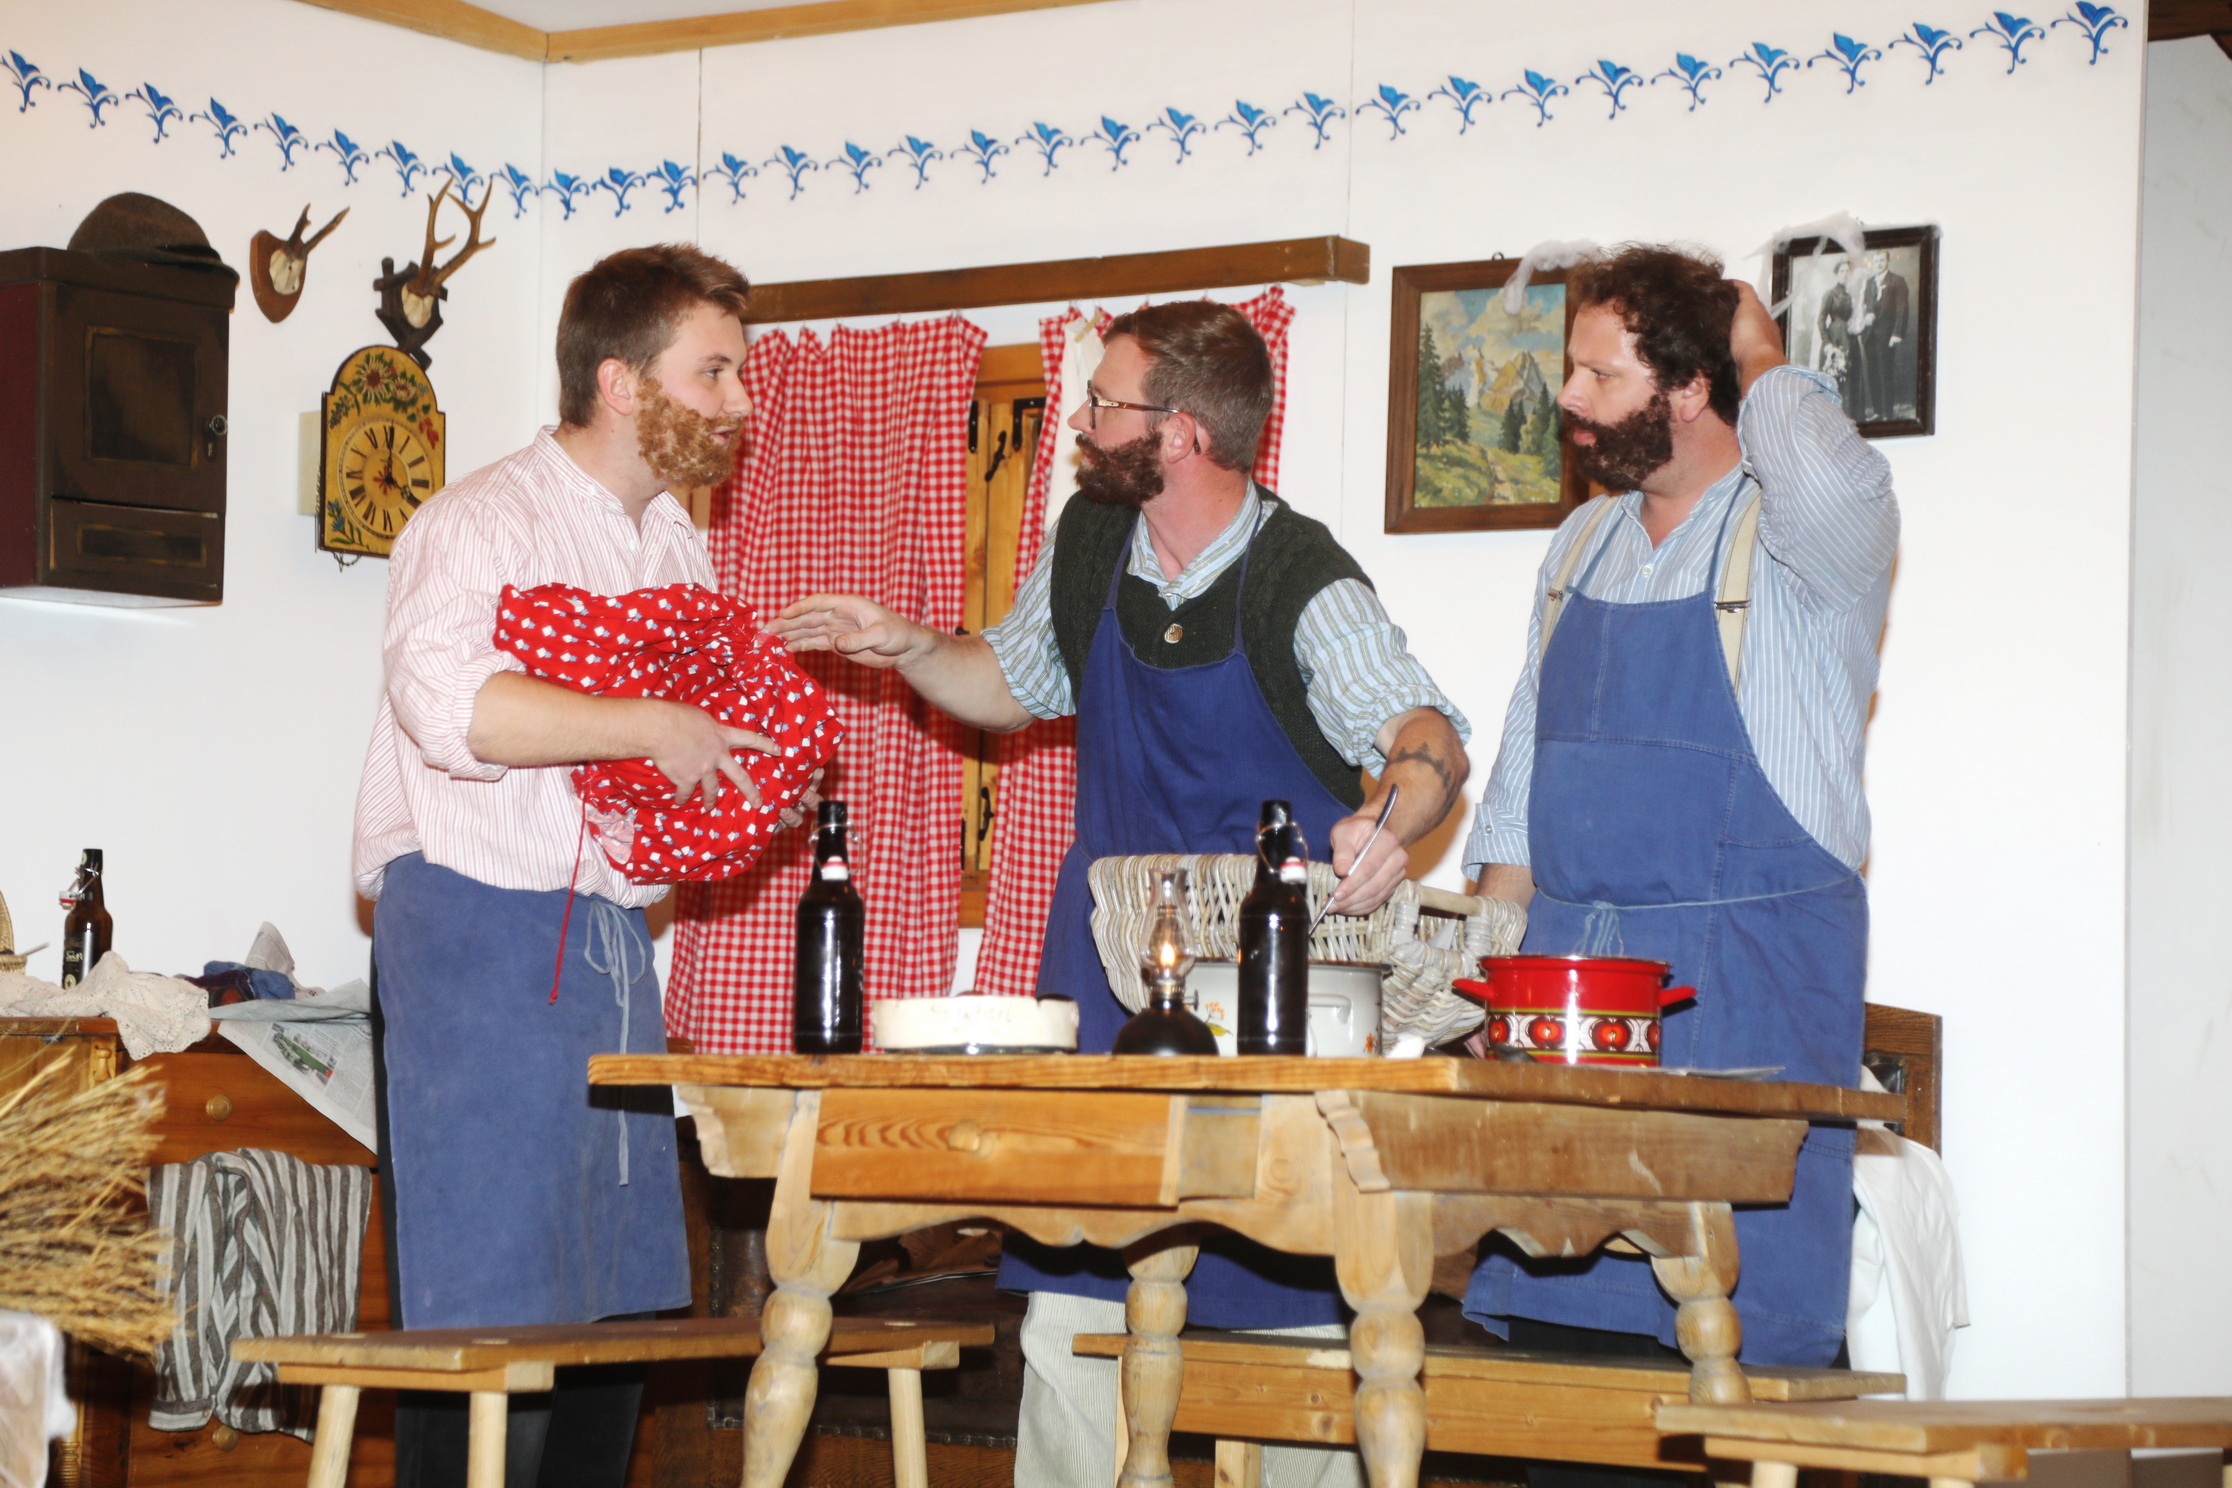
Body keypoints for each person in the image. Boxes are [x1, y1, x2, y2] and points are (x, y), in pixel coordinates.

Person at [772, 300, 1472, 1488]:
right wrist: (910, 646)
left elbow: (1426, 735)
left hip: (1264, 1005)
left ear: (1183, 432)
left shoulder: (1303, 579)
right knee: (1076, 1320)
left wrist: (1394, 819)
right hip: (1105, 979)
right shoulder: (1094, 540)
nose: (1081, 423)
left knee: (1288, 1331)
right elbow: (1009, 684)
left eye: (1103, 403)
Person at [1462, 244, 1897, 1478]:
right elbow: (1526, 763)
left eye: (1601, 375)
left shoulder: (1803, 546)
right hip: (1571, 998)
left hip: (1743, 990)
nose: (1569, 397)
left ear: (1695, 388)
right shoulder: (1579, 546)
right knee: (1558, 1390)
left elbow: (1838, 485)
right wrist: (1490, 964)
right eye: (1573, 370)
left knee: (1726, 1381)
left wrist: (1763, 351)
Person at [352, 244, 780, 1488]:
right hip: (475, 939)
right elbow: (454, 709)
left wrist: (746, 766)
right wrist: (651, 724)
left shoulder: (678, 547)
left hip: (610, 950)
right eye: (714, 371)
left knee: (613, 1321)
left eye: (739, 372)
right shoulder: (476, 519)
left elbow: (667, 766)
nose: (740, 399)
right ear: (621, 380)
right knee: (490, 1323)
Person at [1860, 250, 1913, 422]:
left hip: (1887, 335)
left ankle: (1887, 413)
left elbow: (1902, 309)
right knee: (1873, 373)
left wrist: (1897, 333)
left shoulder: (1897, 281)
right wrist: (1865, 315)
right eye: (1876, 261)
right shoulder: (1869, 282)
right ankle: (1877, 411)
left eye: (1882, 260)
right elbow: (1862, 306)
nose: (1879, 263)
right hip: (1869, 336)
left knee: (1886, 374)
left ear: (1888, 261)